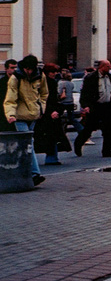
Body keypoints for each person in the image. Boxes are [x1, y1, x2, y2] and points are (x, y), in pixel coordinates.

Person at [3, 55, 46, 185]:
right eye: (27, 69)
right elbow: (10, 99)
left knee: (27, 144)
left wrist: (41, 108)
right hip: (20, 116)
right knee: (28, 144)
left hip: (33, 116)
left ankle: (25, 173)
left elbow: (44, 94)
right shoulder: (15, 78)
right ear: (24, 67)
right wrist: (10, 115)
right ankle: (35, 173)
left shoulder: (40, 76)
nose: (29, 72)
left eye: (31, 69)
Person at [74, 59, 111, 157]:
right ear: (101, 67)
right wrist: (85, 106)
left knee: (108, 130)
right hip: (95, 106)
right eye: (108, 66)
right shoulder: (91, 77)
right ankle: (78, 143)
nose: (110, 68)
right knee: (89, 128)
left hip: (107, 107)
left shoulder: (110, 77)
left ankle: (107, 150)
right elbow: (85, 93)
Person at [36, 64, 68, 166]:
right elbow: (48, 99)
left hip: (48, 112)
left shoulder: (47, 82)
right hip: (48, 113)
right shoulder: (48, 83)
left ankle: (52, 157)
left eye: (55, 72)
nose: (55, 74)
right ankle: (51, 157)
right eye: (52, 72)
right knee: (51, 136)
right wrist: (52, 111)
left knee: (51, 136)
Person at [0, 58, 17, 132]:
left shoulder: (19, 81)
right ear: (6, 69)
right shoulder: (2, 82)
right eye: (12, 67)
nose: (14, 70)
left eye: (16, 67)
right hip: (3, 112)